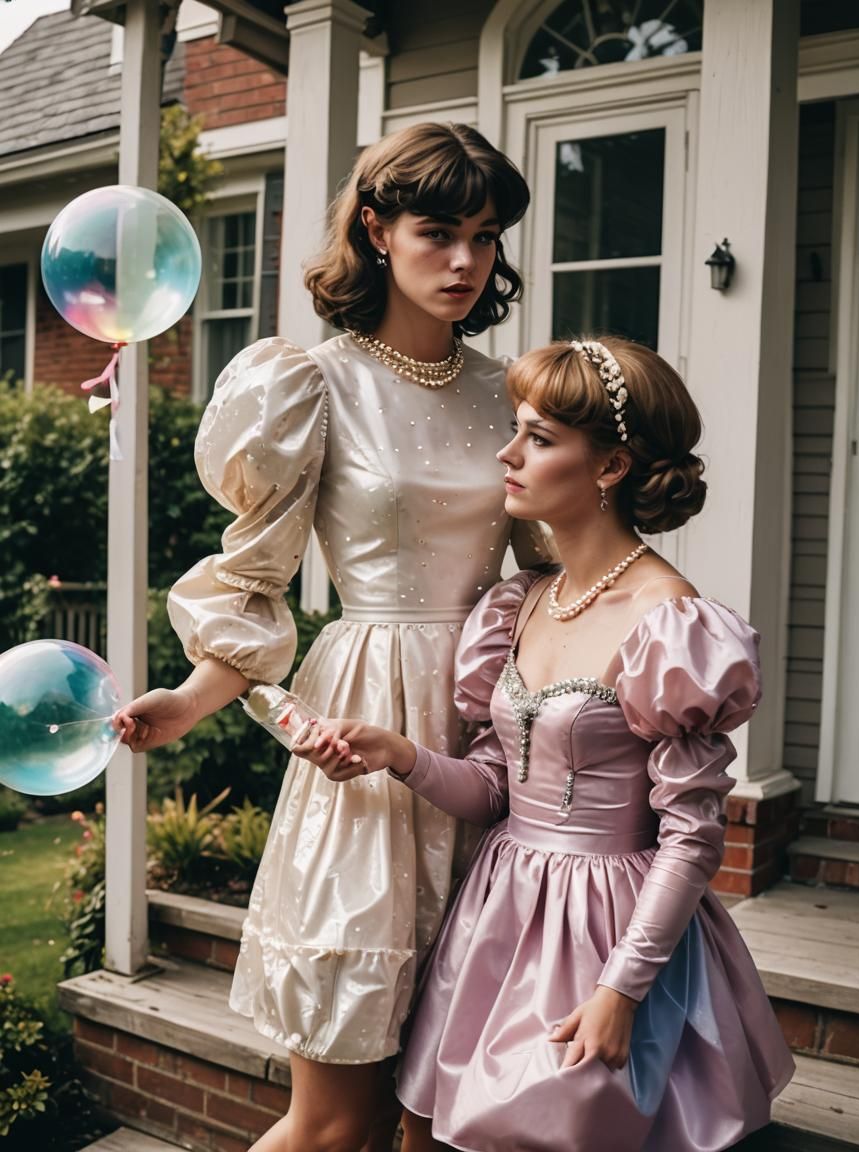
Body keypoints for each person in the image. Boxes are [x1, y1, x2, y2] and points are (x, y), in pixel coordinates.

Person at [113, 122, 550, 1152]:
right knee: (332, 1121)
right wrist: (187, 700)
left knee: (447, 1112)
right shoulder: (310, 384)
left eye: (483, 238)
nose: (462, 261)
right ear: (375, 229)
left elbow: (549, 569)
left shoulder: (512, 394)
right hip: (363, 729)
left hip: (489, 732)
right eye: (436, 231)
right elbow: (254, 580)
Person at [300, 337, 795, 1152]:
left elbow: (692, 838)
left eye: (539, 437)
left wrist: (622, 991)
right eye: (517, 428)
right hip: (497, 919)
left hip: (612, 933)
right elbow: (497, 788)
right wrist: (402, 755)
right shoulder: (522, 602)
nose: (509, 452)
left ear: (610, 468)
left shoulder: (671, 624)